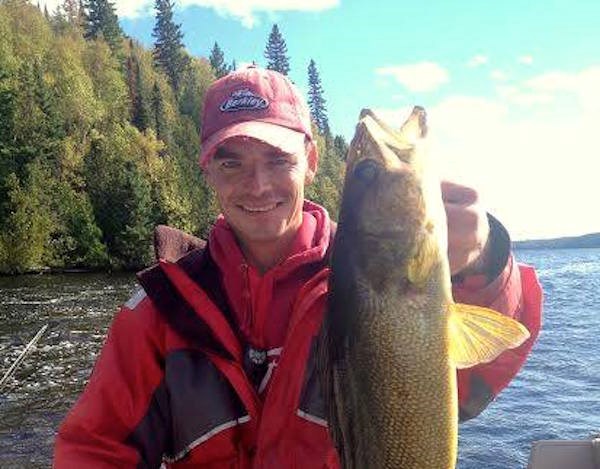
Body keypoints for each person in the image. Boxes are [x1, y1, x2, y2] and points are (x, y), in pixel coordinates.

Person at [54, 66, 542, 468]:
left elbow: (485, 368)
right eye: (231, 163)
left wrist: (481, 259)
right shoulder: (161, 312)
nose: (257, 185)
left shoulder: (369, 283)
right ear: (206, 170)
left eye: (277, 158)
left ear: (309, 160)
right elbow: (95, 449)